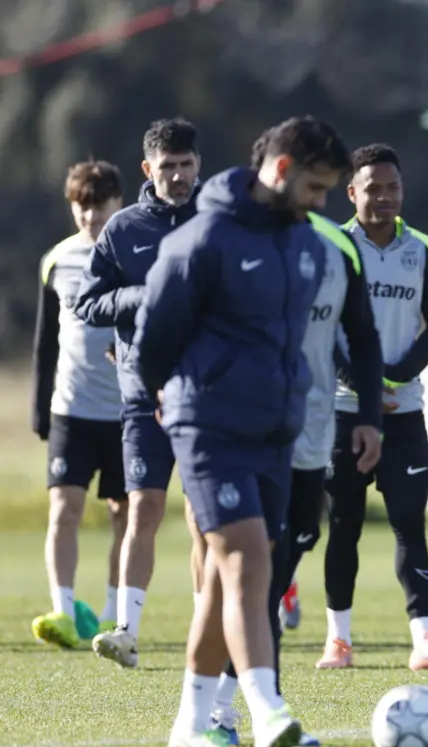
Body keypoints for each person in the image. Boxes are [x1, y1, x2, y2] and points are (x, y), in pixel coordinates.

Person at [134, 116, 352, 747]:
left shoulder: (307, 246)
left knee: (224, 584)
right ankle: (266, 707)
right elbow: (152, 343)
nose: (320, 204)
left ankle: (190, 725)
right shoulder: (202, 240)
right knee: (246, 563)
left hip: (274, 431)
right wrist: (180, 400)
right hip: (207, 426)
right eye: (315, 188)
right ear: (281, 171)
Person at [204, 130, 385, 747]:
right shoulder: (224, 243)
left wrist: (368, 416)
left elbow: (362, 338)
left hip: (311, 436)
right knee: (259, 574)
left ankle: (218, 710)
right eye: (314, 187)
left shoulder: (333, 250)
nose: (319, 202)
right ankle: (247, 713)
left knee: (283, 564)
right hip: (237, 433)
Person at [315, 143, 428, 672]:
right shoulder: (332, 246)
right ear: (352, 191)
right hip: (344, 409)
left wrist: (398, 375)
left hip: (403, 411)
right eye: (372, 188)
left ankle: (424, 638)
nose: (383, 197)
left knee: (409, 524)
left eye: (392, 188)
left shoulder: (420, 248)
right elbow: (322, 325)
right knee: (346, 524)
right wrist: (358, 380)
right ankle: (338, 640)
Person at [75, 118, 205, 667]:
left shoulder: (218, 221)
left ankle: (211, 624)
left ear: (199, 165)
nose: (177, 176)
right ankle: (127, 629)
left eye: (186, 165)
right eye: (167, 167)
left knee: (204, 518)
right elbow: (88, 303)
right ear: (148, 170)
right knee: (142, 509)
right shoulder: (124, 228)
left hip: (206, 397)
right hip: (143, 398)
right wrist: (138, 297)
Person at [30, 160, 129, 648]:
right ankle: (64, 611)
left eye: (100, 205)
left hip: (128, 413)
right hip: (71, 410)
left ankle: (113, 614)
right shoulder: (57, 259)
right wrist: (38, 409)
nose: (91, 217)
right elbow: (46, 343)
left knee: (124, 515)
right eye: (82, 207)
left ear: (119, 202)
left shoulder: (136, 254)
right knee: (64, 510)